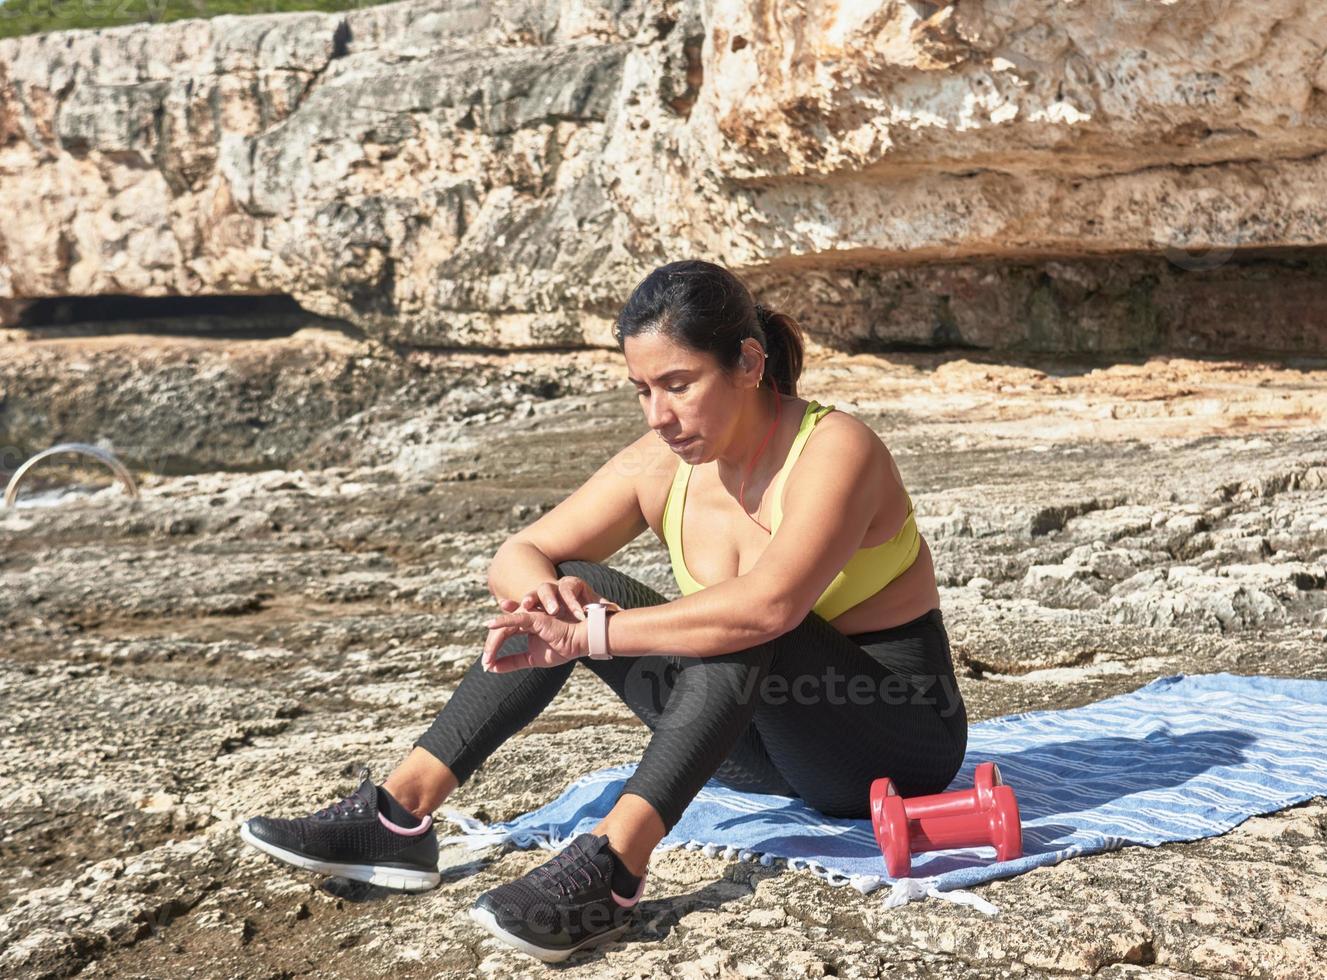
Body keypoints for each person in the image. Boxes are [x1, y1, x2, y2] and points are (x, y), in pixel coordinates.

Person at [240, 260, 969, 962]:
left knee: (740, 623)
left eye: (678, 385)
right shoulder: (662, 465)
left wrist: (589, 633)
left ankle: (613, 869)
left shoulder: (835, 449)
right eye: (642, 390)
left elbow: (769, 606)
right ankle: (398, 815)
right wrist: (553, 599)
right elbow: (519, 552)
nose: (659, 415)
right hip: (762, 747)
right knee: (581, 577)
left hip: (891, 739)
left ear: (748, 363)